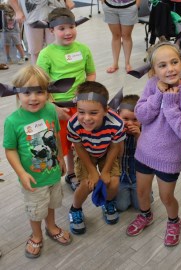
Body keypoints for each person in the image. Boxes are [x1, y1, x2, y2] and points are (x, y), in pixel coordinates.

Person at [126, 42, 181, 247]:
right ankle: (145, 215)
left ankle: (173, 221)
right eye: (163, 65)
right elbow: (142, 116)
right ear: (154, 70)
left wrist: (170, 103)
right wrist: (158, 95)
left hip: (169, 158)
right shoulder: (151, 85)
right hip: (145, 152)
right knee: (142, 191)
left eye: (174, 62)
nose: (170, 69)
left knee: (167, 197)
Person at [3, 65, 72, 259]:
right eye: (27, 92)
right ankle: (36, 235)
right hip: (32, 181)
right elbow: (10, 150)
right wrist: (21, 173)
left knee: (51, 204)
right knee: (35, 211)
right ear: (17, 94)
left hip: (52, 173)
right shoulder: (13, 121)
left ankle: (51, 226)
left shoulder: (50, 110)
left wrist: (60, 157)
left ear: (47, 93)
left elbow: (56, 133)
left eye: (39, 92)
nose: (33, 98)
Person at [37, 7, 96, 192]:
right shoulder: (46, 54)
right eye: (62, 28)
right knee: (61, 143)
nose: (68, 32)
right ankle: (58, 174)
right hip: (58, 107)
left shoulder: (83, 49)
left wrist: (86, 90)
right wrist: (52, 105)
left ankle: (74, 172)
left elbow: (91, 73)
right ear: (52, 30)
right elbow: (41, 83)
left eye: (71, 26)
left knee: (78, 141)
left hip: (80, 105)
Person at [67, 81, 126, 234]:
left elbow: (115, 147)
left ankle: (108, 202)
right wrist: (92, 171)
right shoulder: (73, 124)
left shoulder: (117, 123)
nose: (86, 118)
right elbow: (78, 146)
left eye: (93, 113)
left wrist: (105, 171)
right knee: (86, 184)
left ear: (106, 110)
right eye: (81, 112)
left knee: (113, 183)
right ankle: (75, 209)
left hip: (107, 152)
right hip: (85, 153)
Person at [8, 0, 74, 64]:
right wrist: (17, 11)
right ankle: (38, 74)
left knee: (58, 47)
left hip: (56, 12)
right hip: (32, 14)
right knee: (35, 51)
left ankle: (59, 72)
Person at [115, 94, 141, 211]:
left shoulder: (145, 132)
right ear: (118, 116)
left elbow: (147, 154)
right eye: (125, 119)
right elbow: (116, 154)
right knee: (120, 207)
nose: (130, 123)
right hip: (121, 178)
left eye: (135, 119)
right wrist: (120, 137)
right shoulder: (115, 132)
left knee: (141, 206)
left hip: (138, 178)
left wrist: (138, 136)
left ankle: (141, 192)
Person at [101, 0, 139, 73]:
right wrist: (103, 2)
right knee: (115, 35)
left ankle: (127, 63)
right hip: (109, 6)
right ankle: (115, 64)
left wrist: (136, 5)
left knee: (126, 36)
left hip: (129, 6)